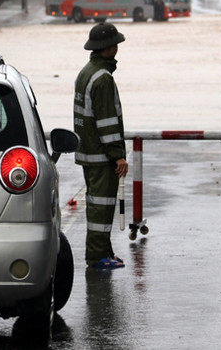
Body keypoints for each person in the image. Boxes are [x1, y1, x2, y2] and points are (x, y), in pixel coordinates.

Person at [74, 22, 129, 270]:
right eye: (115, 43)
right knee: (101, 206)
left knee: (99, 205)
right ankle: (97, 256)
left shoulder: (86, 73)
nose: (117, 47)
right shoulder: (103, 78)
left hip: (88, 153)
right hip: (101, 157)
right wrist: (117, 155)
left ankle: (103, 251)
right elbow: (106, 122)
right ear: (108, 48)